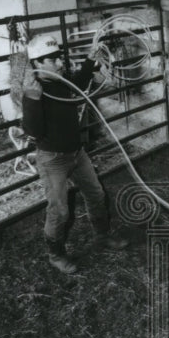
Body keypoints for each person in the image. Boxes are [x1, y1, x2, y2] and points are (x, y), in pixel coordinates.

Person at [21, 32, 126, 273]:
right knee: (59, 209)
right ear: (37, 63)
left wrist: (90, 61)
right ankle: (55, 254)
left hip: (76, 153)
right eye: (52, 59)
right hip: (52, 159)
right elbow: (33, 131)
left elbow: (77, 85)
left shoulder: (60, 80)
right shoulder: (34, 92)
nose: (59, 63)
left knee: (96, 194)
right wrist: (33, 100)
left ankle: (102, 235)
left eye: (58, 57)